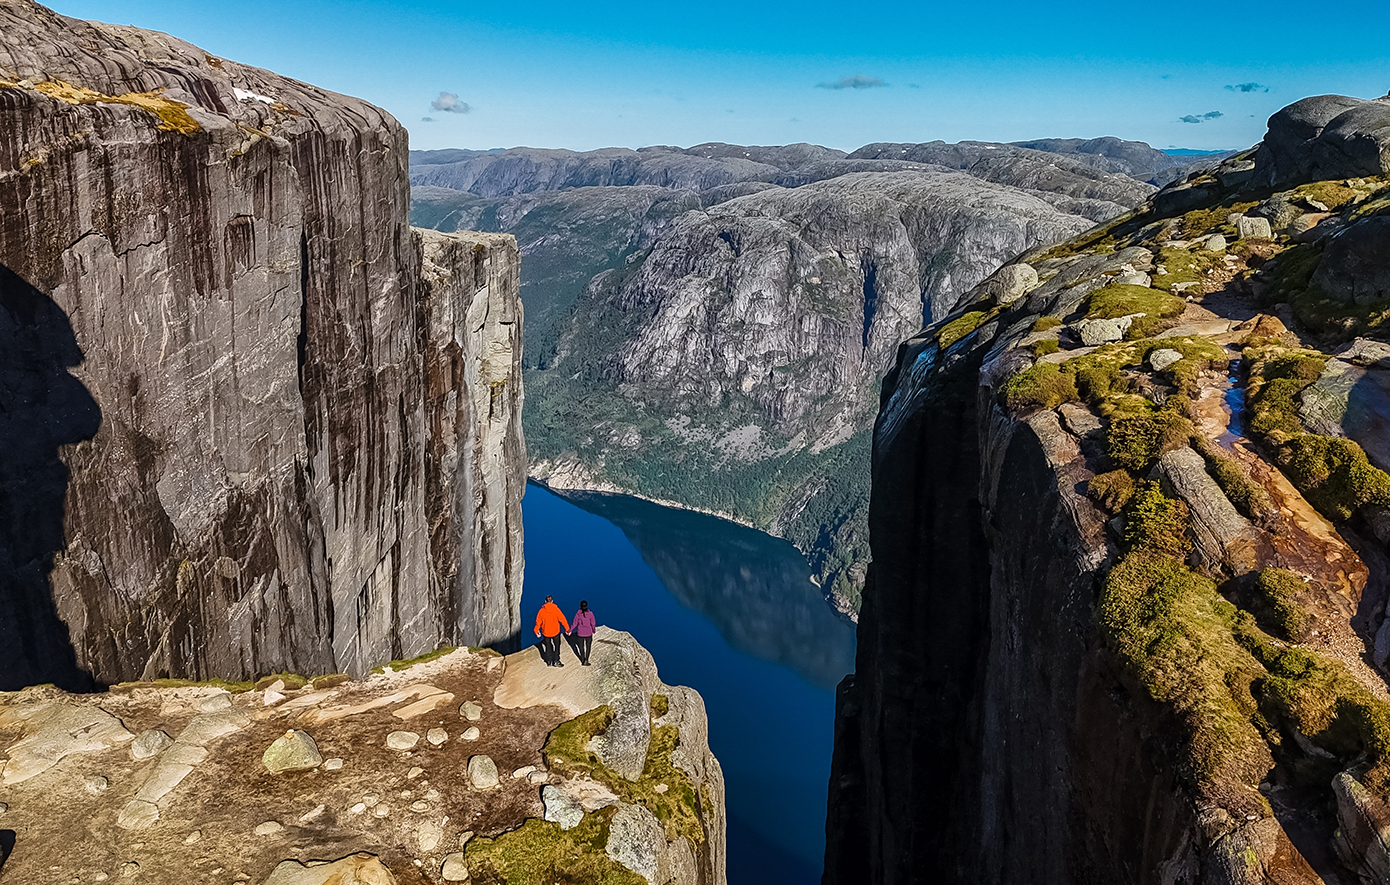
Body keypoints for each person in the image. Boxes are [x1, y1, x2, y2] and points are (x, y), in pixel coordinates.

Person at [534, 594, 570, 667]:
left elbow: (538, 622)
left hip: (546, 633)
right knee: (557, 646)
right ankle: (556, 660)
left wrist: (536, 631)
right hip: (555, 632)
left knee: (548, 646)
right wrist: (567, 629)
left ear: (545, 601)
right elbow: (563, 619)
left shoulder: (541, 611)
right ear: (552, 601)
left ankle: (549, 661)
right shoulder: (556, 610)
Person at [569, 600, 597, 666]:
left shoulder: (578, 614)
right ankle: (586, 660)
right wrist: (593, 630)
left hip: (580, 633)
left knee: (581, 647)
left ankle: (582, 659)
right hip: (588, 633)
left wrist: (570, 630)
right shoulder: (590, 614)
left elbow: (575, 623)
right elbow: (593, 623)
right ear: (587, 606)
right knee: (588, 647)